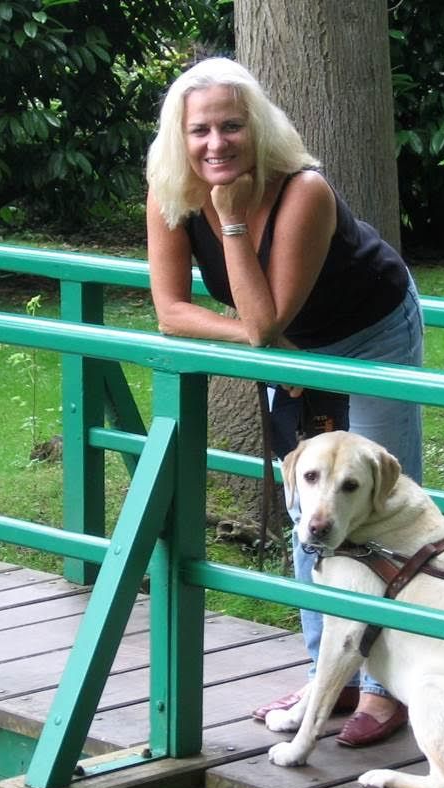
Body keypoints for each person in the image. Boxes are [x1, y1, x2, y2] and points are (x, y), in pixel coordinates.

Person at [145, 56, 423, 747]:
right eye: (200, 130)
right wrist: (260, 345)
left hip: (369, 338)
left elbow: (266, 321)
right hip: (287, 350)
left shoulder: (303, 192)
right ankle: (327, 676)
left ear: (258, 128)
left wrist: (233, 224)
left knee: (378, 506)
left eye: (232, 126)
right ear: (178, 137)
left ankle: (388, 690)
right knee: (308, 508)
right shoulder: (169, 193)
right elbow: (171, 310)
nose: (216, 144)